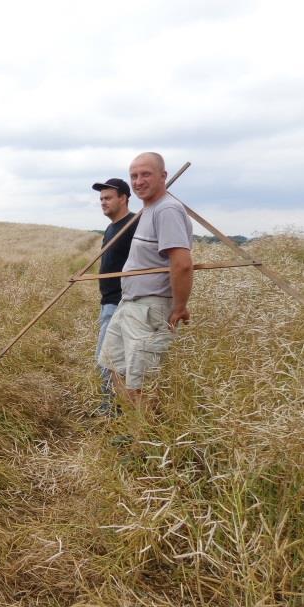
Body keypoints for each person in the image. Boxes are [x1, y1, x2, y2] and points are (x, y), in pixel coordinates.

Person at [100, 152, 194, 410]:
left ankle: (144, 442)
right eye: (134, 176)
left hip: (149, 309)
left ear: (163, 176)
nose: (139, 181)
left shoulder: (167, 210)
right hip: (130, 305)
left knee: (140, 381)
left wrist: (179, 307)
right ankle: (132, 429)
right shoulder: (149, 210)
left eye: (145, 174)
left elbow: (182, 264)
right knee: (113, 366)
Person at [91, 178, 136, 415]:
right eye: (101, 199)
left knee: (107, 359)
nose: (103, 202)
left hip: (121, 302)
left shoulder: (134, 224)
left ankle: (112, 411)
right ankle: (114, 409)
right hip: (108, 301)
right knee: (110, 360)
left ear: (124, 198)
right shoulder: (111, 228)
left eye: (108, 198)